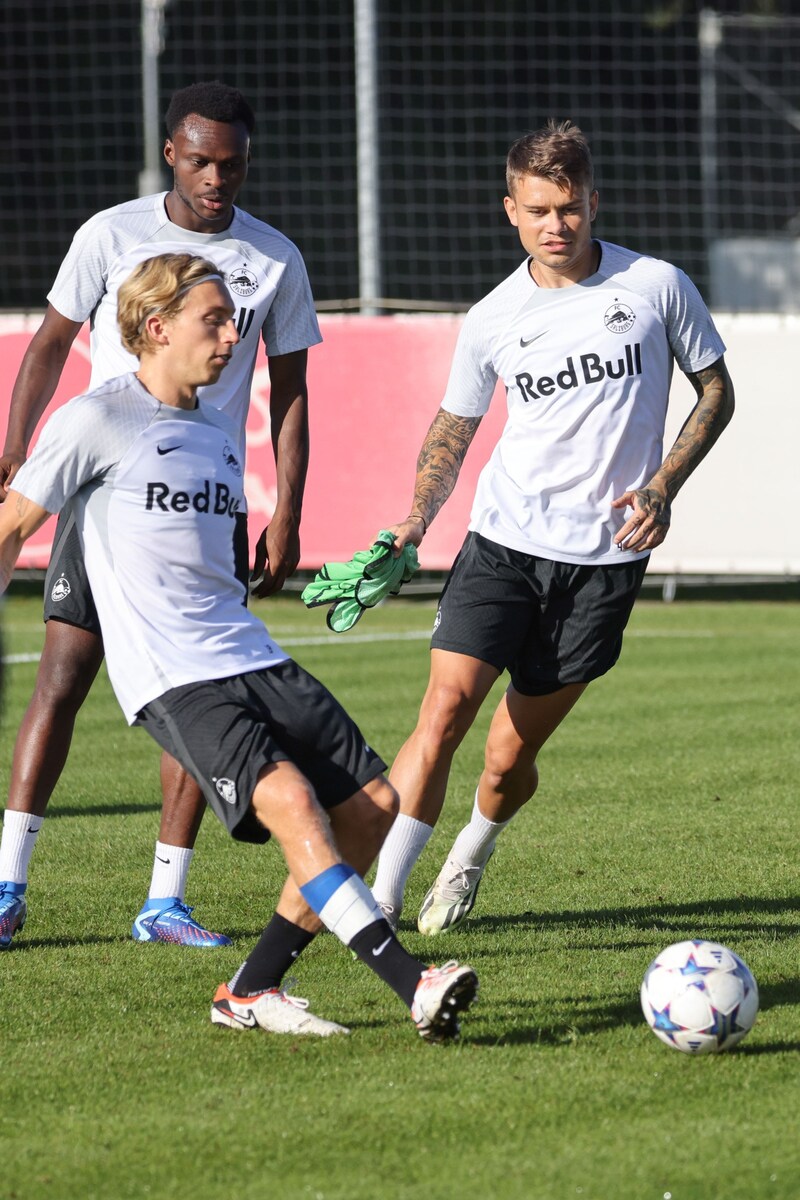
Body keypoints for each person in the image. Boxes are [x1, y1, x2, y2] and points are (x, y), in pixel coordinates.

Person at [0, 252, 478, 1039]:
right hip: (173, 675)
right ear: (155, 328)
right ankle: (413, 982)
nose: (233, 334)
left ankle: (251, 989)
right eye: (213, 321)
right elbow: (15, 522)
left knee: (373, 809)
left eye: (232, 319)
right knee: (292, 802)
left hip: (251, 655)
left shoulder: (220, 437)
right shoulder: (96, 418)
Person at [371, 119, 735, 936]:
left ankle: (469, 853)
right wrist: (415, 520)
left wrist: (665, 485)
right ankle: (382, 899)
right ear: (511, 210)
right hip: (502, 545)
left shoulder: (657, 287)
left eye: (569, 208)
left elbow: (716, 390)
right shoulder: (494, 317)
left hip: (604, 564)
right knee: (444, 712)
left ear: (593, 201)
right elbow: (452, 431)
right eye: (538, 210)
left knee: (506, 759)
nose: (556, 225)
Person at [0, 81, 320, 951]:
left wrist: (288, 503)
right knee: (61, 680)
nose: (219, 177)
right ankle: (7, 883)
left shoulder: (275, 258)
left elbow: (289, 390)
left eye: (234, 163)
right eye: (204, 159)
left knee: (199, 694)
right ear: (172, 152)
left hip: (202, 507)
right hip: (104, 491)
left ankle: (164, 900)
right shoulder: (111, 234)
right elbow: (51, 344)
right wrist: (16, 449)